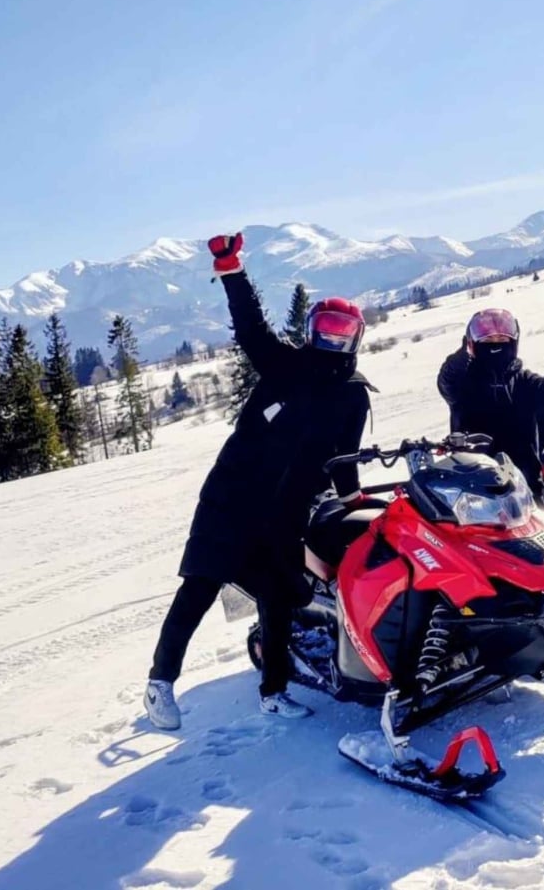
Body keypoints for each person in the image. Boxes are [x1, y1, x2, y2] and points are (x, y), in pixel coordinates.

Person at [144, 232, 372, 729]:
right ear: (312, 330)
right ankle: (160, 682)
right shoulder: (284, 364)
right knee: (200, 585)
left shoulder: (354, 394)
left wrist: (355, 500)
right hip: (231, 497)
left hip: (286, 513)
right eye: (326, 329)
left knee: (278, 596)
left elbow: (345, 458)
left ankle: (273, 691)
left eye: (343, 332)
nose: (334, 340)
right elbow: (250, 325)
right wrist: (232, 269)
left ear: (356, 337)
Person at [435, 308, 544, 494]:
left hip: (524, 480)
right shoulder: (464, 383)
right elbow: (447, 385)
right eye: (487, 341)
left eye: (502, 340)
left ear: (513, 343)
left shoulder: (523, 379)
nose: (495, 345)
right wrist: (453, 365)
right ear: (474, 344)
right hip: (475, 483)